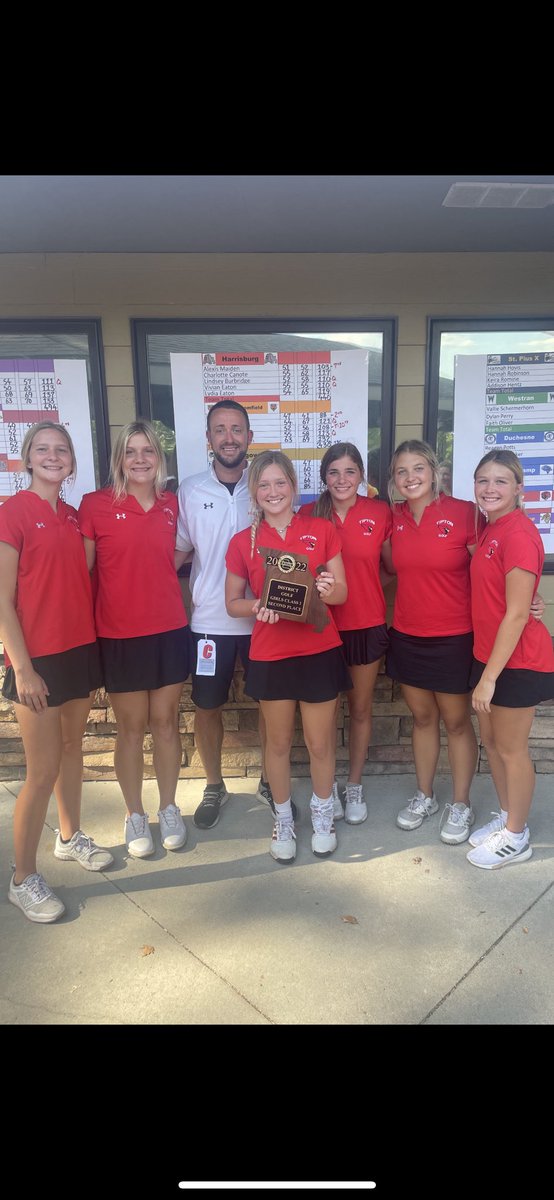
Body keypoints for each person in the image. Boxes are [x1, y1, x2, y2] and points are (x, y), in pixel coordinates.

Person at [0, 421, 112, 924]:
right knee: (41, 770)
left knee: (72, 752)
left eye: (61, 450)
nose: (52, 456)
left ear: (71, 462)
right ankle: (23, 878)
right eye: (42, 449)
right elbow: (2, 600)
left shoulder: (71, 515)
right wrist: (21, 668)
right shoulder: (12, 513)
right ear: (26, 459)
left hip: (79, 651)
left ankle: (70, 837)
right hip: (36, 661)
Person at [225, 450, 352, 863]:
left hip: (319, 651)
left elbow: (342, 592)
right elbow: (232, 603)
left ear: (294, 487)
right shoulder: (242, 541)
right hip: (270, 653)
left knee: (319, 745)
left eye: (281, 483)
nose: (273, 491)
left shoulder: (322, 529)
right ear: (254, 491)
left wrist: (329, 589)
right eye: (264, 485)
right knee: (277, 746)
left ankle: (321, 815)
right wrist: (257, 606)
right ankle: (282, 818)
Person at [78, 420, 193, 858]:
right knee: (130, 728)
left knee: (165, 723)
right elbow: (83, 574)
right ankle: (133, 814)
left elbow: (176, 555)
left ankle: (167, 807)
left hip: (168, 629)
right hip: (119, 634)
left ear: (159, 460)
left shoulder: (171, 505)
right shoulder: (95, 505)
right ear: (119, 460)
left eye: (148, 451)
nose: (140, 459)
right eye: (131, 452)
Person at [175, 400, 286, 830]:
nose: (228, 437)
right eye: (220, 429)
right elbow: (178, 554)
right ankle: (214, 784)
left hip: (267, 622)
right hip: (208, 623)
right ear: (209, 439)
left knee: (270, 706)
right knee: (206, 706)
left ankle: (267, 780)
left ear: (249, 438)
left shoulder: (266, 488)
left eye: (237, 429)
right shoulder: (190, 490)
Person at [381, 440, 482, 844]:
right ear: (394, 479)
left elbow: (490, 569)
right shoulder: (394, 518)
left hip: (455, 636)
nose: (411, 478)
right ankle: (425, 796)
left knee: (456, 722)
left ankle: (461, 803)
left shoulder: (464, 514)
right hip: (407, 634)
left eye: (418, 469)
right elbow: (386, 567)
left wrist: (526, 598)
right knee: (423, 719)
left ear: (435, 471)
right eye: (402, 472)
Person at [466, 450, 554, 868]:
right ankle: (507, 817)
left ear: (519, 488)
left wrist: (489, 678)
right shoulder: (489, 528)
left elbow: (518, 613)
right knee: (494, 745)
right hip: (490, 656)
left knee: (512, 749)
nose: (490, 489)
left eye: (501, 481)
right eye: (483, 480)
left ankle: (517, 837)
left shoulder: (518, 533)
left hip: (517, 663)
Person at [299, 442, 392, 824]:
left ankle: (353, 784)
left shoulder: (379, 512)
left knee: (360, 709)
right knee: (325, 714)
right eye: (334, 472)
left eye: (350, 471)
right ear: (324, 477)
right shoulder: (307, 514)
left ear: (361, 477)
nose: (342, 479)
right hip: (320, 630)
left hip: (366, 625)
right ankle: (328, 786)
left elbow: (392, 566)